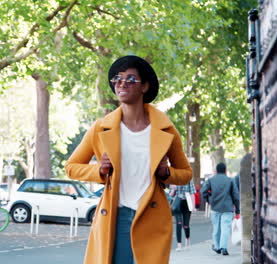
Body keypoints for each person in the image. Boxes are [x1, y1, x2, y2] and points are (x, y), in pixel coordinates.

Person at [65, 55, 193, 264]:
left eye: (131, 79)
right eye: (118, 78)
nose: (122, 83)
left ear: (145, 87)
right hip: (116, 217)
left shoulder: (166, 129)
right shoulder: (100, 128)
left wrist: (166, 173)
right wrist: (98, 171)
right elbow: (71, 167)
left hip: (152, 216)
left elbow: (186, 174)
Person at [201, 162, 240, 256]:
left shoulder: (211, 180)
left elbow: (203, 192)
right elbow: (236, 196)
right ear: (225, 170)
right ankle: (224, 248)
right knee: (225, 227)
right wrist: (237, 210)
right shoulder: (230, 180)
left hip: (215, 207)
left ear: (216, 170)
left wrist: (208, 199)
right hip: (227, 207)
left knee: (216, 228)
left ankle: (217, 246)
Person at [170, 180, 196, 251]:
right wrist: (173, 189)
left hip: (187, 203)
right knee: (179, 224)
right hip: (178, 203)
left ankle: (187, 239)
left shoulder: (189, 180)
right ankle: (179, 245)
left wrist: (193, 207)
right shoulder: (175, 179)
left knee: (186, 225)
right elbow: (171, 195)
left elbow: (192, 193)